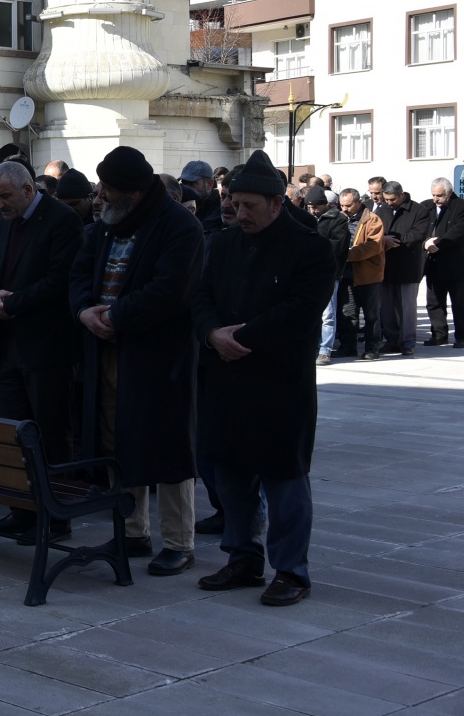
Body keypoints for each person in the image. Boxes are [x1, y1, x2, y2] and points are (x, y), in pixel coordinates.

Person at [194, 150, 334, 607]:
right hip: (226, 376)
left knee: (284, 478)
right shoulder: (223, 242)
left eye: (252, 205)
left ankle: (291, 571)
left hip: (278, 382)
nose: (241, 212)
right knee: (230, 474)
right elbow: (200, 298)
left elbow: (301, 309)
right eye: (236, 203)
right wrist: (213, 333)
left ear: (277, 203)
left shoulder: (309, 246)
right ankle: (242, 557)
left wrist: (244, 337)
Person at [70, 146, 203, 576]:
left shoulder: (179, 225)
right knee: (118, 442)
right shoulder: (105, 226)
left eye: (107, 189)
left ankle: (179, 542)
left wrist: (116, 317)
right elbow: (79, 273)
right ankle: (132, 531)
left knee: (168, 447)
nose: (100, 196)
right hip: (108, 350)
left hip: (158, 356)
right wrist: (85, 311)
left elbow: (171, 290)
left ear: (133, 191)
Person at [0, 161, 83, 537]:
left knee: (51, 433)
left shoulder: (62, 220)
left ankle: (56, 518)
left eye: (4, 196)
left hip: (46, 346)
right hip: (8, 345)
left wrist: (13, 303)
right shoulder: (4, 221)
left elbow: (60, 279)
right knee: (16, 431)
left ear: (28, 190)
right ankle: (22, 511)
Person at [378, 181, 433, 357]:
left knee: (407, 308)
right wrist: (384, 240)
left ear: (402, 195)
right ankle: (391, 340)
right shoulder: (381, 210)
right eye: (386, 199)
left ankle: (407, 341)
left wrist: (395, 241)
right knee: (386, 308)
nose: (389, 203)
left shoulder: (418, 210)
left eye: (392, 199)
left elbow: (419, 233)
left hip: (408, 265)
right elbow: (375, 231)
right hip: (386, 265)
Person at [337, 188, 385, 360]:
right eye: (342, 205)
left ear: (358, 202)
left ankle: (372, 347)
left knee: (371, 314)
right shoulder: (340, 218)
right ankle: (348, 347)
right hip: (346, 276)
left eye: (348, 205)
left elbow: (373, 245)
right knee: (348, 313)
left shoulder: (372, 220)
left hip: (368, 276)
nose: (345, 209)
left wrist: (348, 254)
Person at [306, 186, 350, 367]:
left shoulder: (338, 219)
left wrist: (312, 248)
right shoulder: (306, 219)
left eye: (316, 207)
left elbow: (337, 246)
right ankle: (312, 346)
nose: (313, 210)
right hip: (308, 273)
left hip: (330, 272)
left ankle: (325, 350)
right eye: (310, 207)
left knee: (328, 314)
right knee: (310, 312)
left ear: (325, 205)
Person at [423, 177, 464, 348]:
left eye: (440, 195)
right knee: (434, 302)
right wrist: (425, 243)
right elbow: (420, 229)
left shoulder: (462, 206)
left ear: (449, 193)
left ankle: (463, 335)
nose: (436, 199)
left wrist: (438, 243)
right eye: (434, 195)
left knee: (459, 302)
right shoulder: (426, 206)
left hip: (455, 263)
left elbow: (459, 230)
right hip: (432, 263)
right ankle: (439, 334)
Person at [180, 162, 221, 234]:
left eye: (191, 184)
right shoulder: (183, 204)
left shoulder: (220, 210)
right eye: (184, 183)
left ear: (209, 184)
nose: (186, 188)